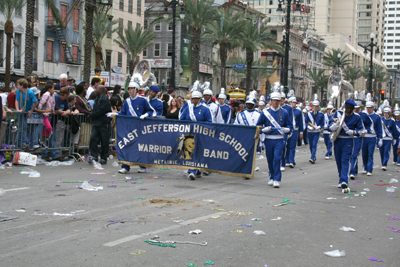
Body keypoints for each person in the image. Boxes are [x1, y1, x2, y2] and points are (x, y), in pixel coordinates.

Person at [256, 83, 292, 188]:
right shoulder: (265, 112)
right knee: (270, 159)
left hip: (279, 139)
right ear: (270, 101)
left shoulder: (284, 112)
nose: (275, 102)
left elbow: (289, 126)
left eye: (277, 100)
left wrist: (287, 129)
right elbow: (258, 125)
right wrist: (264, 129)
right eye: (274, 100)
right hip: (268, 139)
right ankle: (271, 176)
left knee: (277, 158)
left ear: (280, 101)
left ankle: (277, 178)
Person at [118, 81, 156, 174]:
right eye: (129, 88)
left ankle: (142, 166)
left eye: (132, 88)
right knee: (126, 146)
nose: (130, 90)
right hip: (128, 128)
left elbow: (152, 111)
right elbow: (122, 113)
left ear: (136, 90)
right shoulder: (127, 101)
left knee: (140, 147)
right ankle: (125, 166)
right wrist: (115, 115)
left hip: (139, 128)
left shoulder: (143, 100)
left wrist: (146, 114)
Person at [329, 99, 366, 192]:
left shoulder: (357, 117)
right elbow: (329, 124)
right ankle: (341, 178)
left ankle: (344, 180)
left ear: (353, 108)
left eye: (350, 108)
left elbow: (362, 131)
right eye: (347, 108)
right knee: (338, 160)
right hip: (338, 139)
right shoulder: (339, 114)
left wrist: (353, 132)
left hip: (348, 140)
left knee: (345, 160)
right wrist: (332, 127)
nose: (348, 110)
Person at [179, 89, 212, 180]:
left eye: (197, 99)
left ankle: (198, 170)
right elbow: (182, 120)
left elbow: (209, 122)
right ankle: (191, 170)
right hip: (189, 133)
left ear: (200, 99)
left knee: (198, 152)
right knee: (190, 151)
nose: (195, 100)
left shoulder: (205, 109)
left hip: (200, 135)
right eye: (193, 99)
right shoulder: (187, 109)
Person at [360, 93, 383, 176]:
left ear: (373, 108)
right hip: (365, 137)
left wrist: (380, 138)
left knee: (370, 154)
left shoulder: (377, 117)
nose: (368, 109)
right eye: (367, 107)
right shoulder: (363, 115)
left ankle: (369, 169)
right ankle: (364, 167)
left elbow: (379, 129)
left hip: (372, 137)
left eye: (370, 107)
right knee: (364, 153)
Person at [87, 85, 111, 164]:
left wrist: (91, 115)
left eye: (97, 89)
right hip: (96, 123)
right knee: (93, 139)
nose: (95, 90)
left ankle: (104, 157)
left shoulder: (105, 99)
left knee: (104, 141)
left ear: (101, 90)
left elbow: (101, 111)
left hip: (103, 123)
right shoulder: (97, 99)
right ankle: (94, 155)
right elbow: (95, 110)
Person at [15, 78, 38, 150]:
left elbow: (35, 102)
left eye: (18, 85)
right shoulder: (19, 91)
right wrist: (17, 109)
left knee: (27, 129)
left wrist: (31, 110)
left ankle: (25, 143)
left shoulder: (30, 92)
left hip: (27, 113)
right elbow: (17, 100)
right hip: (21, 113)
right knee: (22, 128)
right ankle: (22, 143)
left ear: (22, 85)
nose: (17, 86)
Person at [305, 95, 324, 164]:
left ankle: (312, 157)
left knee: (314, 145)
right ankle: (313, 155)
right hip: (310, 131)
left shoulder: (321, 114)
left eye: (316, 106)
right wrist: (308, 127)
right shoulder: (308, 114)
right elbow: (305, 122)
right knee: (310, 145)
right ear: (312, 106)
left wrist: (319, 127)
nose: (315, 107)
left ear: (318, 107)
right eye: (314, 106)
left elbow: (322, 123)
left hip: (316, 131)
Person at [380, 101, 399, 171]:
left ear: (389, 114)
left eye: (387, 113)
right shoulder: (381, 120)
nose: (385, 114)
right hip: (382, 138)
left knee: (386, 151)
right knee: (381, 152)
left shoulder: (392, 121)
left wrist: (395, 138)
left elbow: (394, 130)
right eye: (384, 113)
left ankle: (384, 164)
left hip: (388, 138)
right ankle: (383, 163)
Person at [53, 87, 71, 161]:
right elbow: (56, 109)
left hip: (62, 120)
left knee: (60, 138)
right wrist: (64, 112)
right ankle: (56, 154)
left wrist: (67, 112)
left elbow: (68, 109)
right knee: (57, 138)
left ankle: (58, 154)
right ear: (65, 94)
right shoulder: (56, 97)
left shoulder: (66, 100)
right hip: (55, 120)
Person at [286, 95, 304, 168]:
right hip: (287, 130)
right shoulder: (286, 110)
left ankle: (291, 161)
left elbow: (301, 123)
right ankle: (287, 160)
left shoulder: (298, 111)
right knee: (287, 145)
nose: (294, 104)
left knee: (292, 146)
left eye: (295, 103)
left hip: (295, 130)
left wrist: (301, 132)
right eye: (293, 102)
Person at [37, 84, 55, 155]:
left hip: (48, 114)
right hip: (44, 114)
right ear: (49, 89)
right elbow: (41, 103)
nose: (54, 90)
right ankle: (47, 137)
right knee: (49, 127)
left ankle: (43, 141)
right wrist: (40, 110)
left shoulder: (51, 95)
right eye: (53, 89)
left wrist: (52, 110)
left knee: (45, 131)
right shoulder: (46, 94)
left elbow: (53, 103)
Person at [349, 101, 364, 179]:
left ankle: (352, 171)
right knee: (351, 155)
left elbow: (368, 126)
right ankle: (355, 169)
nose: (356, 110)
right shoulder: (349, 115)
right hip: (350, 138)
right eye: (355, 108)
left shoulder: (363, 115)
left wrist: (365, 131)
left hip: (358, 138)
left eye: (358, 108)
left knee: (355, 155)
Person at [280, 90, 294, 171]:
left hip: (284, 131)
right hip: (275, 131)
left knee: (283, 147)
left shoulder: (288, 108)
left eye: (282, 98)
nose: (281, 100)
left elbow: (290, 120)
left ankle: (282, 162)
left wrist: (290, 130)